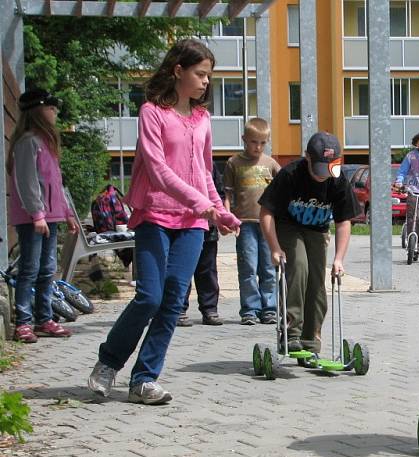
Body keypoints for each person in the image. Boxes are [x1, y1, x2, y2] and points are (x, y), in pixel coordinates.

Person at [87, 39, 240, 404]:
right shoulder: (152, 112)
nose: (206, 82)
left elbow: (204, 171)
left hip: (193, 222)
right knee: (149, 297)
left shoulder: (203, 118)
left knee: (173, 299)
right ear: (178, 71)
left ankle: (144, 379)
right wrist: (202, 203)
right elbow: (157, 171)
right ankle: (108, 363)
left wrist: (218, 210)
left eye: (208, 75)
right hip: (155, 214)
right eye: (200, 74)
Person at [259, 132, 359, 353]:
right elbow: (266, 212)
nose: (326, 174)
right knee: (299, 269)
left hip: (317, 230)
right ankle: (291, 333)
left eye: (331, 166)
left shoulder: (338, 179)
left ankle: (310, 339)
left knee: (316, 282)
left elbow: (343, 221)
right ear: (308, 158)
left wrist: (339, 259)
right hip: (287, 227)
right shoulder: (291, 175)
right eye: (321, 167)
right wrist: (275, 248)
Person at [6, 88, 79, 343]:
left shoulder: (46, 143)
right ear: (37, 111)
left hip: (51, 216)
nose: (55, 111)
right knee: (30, 268)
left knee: (48, 269)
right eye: (50, 107)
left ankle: (44, 318)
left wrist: (67, 213)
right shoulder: (28, 142)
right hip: (33, 219)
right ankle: (23, 321)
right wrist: (37, 215)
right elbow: (27, 182)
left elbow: (56, 184)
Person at [224, 117, 281, 326]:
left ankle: (270, 308)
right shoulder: (233, 163)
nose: (258, 147)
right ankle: (250, 308)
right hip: (244, 223)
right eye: (253, 142)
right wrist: (228, 217)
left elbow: (283, 192)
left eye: (262, 143)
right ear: (244, 140)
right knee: (248, 266)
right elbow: (227, 195)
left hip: (268, 224)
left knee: (268, 266)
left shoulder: (271, 164)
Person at [177, 162, 225, 327]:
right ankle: (179, 309)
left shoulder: (209, 166)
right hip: (184, 226)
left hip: (208, 229)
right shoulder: (179, 163)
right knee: (182, 271)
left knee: (208, 271)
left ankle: (210, 309)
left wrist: (221, 217)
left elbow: (219, 193)